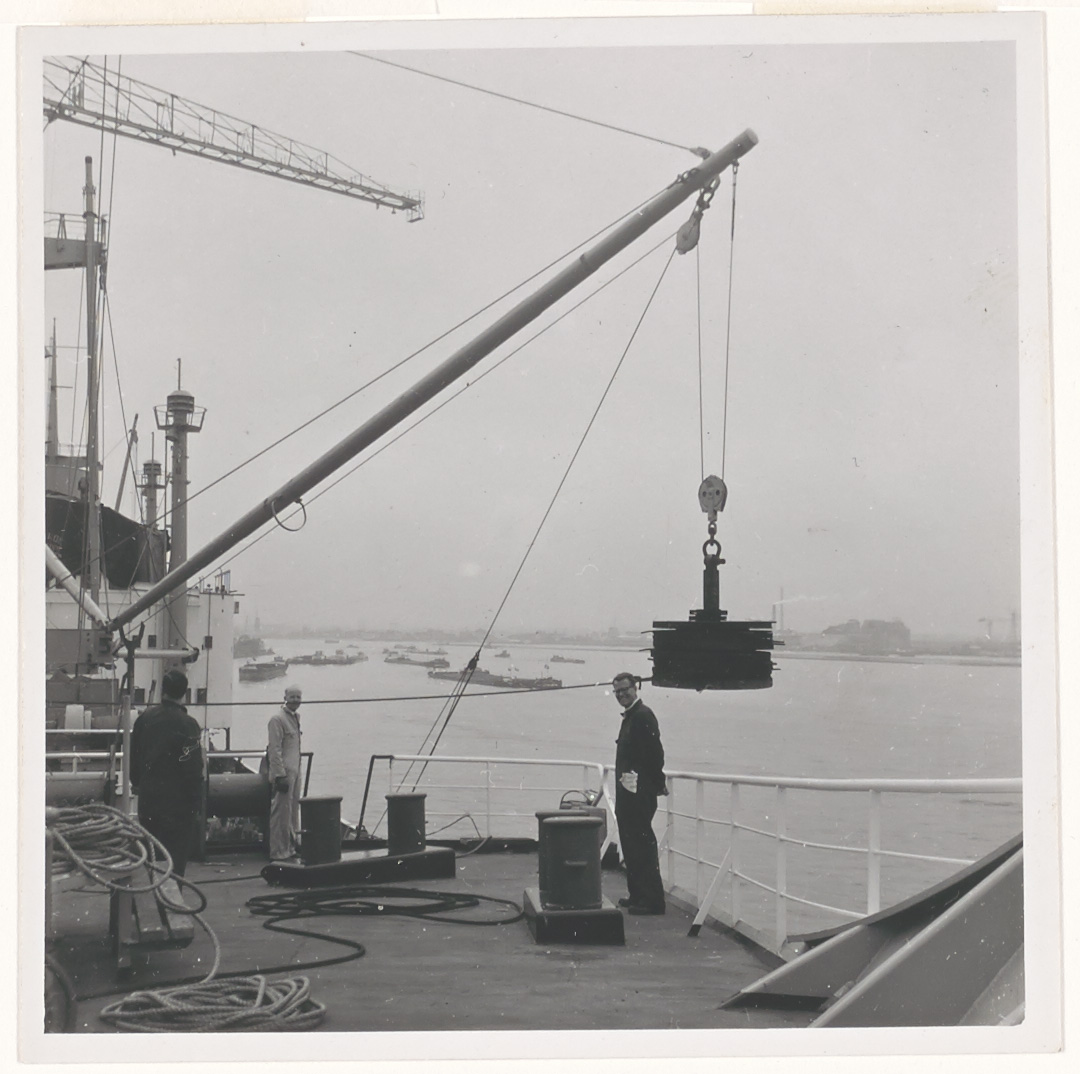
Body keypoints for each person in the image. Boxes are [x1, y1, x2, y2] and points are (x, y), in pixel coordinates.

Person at [130, 667, 204, 876]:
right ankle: (172, 893)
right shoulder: (188, 725)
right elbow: (193, 769)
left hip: (149, 801)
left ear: (163, 690)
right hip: (178, 805)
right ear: (184, 693)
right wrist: (196, 802)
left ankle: (155, 892)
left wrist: (138, 784)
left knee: (154, 857)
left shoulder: (144, 719)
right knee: (175, 861)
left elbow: (134, 759)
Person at [611, 672, 667, 915]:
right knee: (630, 843)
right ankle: (637, 895)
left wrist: (658, 783)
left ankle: (652, 901)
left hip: (639, 792)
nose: (621, 694)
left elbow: (655, 753)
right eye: (617, 691)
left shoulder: (643, 715)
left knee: (642, 844)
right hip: (627, 791)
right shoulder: (631, 716)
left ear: (636, 688)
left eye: (625, 690)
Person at [263, 684, 303, 862]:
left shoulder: (295, 718)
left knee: (292, 811)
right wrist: (279, 775)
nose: (295, 700)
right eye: (292, 697)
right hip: (284, 774)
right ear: (285, 697)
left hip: (295, 771)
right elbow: (274, 749)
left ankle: (290, 847)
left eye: (298, 697)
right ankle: (278, 851)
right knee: (280, 813)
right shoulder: (277, 720)